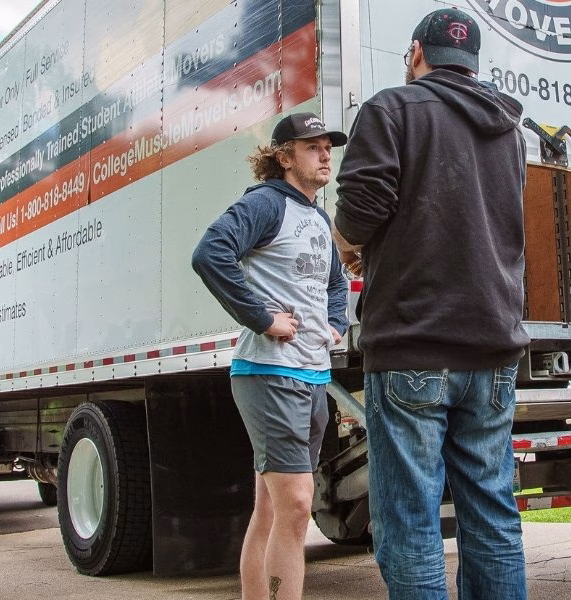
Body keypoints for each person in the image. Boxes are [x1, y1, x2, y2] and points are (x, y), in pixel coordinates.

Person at [332, 7, 528, 600]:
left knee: (411, 517)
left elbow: (363, 207)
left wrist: (349, 245)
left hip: (414, 341)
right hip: (493, 344)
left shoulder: (391, 108)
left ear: (417, 54)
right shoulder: (509, 128)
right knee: (492, 513)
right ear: (471, 64)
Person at [191, 112, 349, 600]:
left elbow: (336, 282)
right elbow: (210, 253)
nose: (325, 155)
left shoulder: (320, 218)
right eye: (311, 147)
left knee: (272, 510)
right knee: (299, 506)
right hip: (268, 373)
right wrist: (262, 317)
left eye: (328, 147)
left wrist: (336, 324)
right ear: (283, 157)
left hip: (313, 376)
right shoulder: (265, 204)